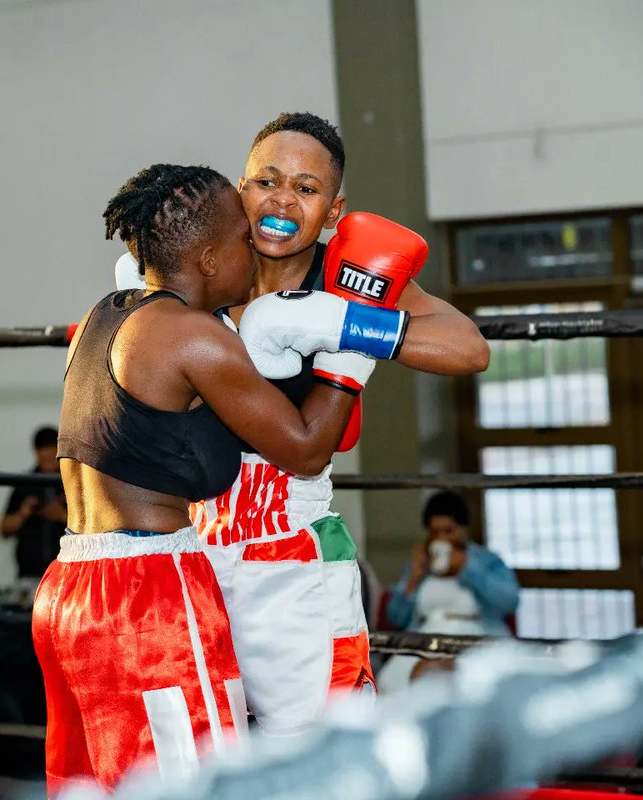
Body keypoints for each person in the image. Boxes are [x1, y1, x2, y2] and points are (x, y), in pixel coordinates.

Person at [36, 163, 412, 794]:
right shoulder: (193, 336)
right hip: (149, 593)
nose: (256, 249)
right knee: (196, 784)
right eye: (244, 238)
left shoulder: (102, 317)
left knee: (98, 786)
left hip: (67, 590)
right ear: (209, 258)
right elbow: (306, 448)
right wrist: (353, 337)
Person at [176, 112, 489, 733]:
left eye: (306, 188)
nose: (282, 201)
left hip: (292, 547)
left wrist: (346, 324)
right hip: (193, 545)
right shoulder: (208, 271)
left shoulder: (348, 275)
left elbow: (468, 348)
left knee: (320, 743)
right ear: (241, 190)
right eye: (267, 181)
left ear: (334, 208)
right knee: (218, 746)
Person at [379, 490, 520, 692]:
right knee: (391, 685)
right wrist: (413, 578)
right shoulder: (420, 564)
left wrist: (467, 568)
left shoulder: (486, 561)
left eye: (449, 531)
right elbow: (395, 617)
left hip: (475, 637)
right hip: (425, 639)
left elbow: (509, 601)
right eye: (435, 532)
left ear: (463, 529)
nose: (442, 538)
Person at [0, 426, 67, 580]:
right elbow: (3, 529)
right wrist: (23, 514)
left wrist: (63, 516)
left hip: (65, 573)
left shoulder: (73, 484)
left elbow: (93, 529)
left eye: (52, 458)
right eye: (44, 458)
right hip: (29, 575)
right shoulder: (25, 484)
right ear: (36, 453)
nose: (48, 463)